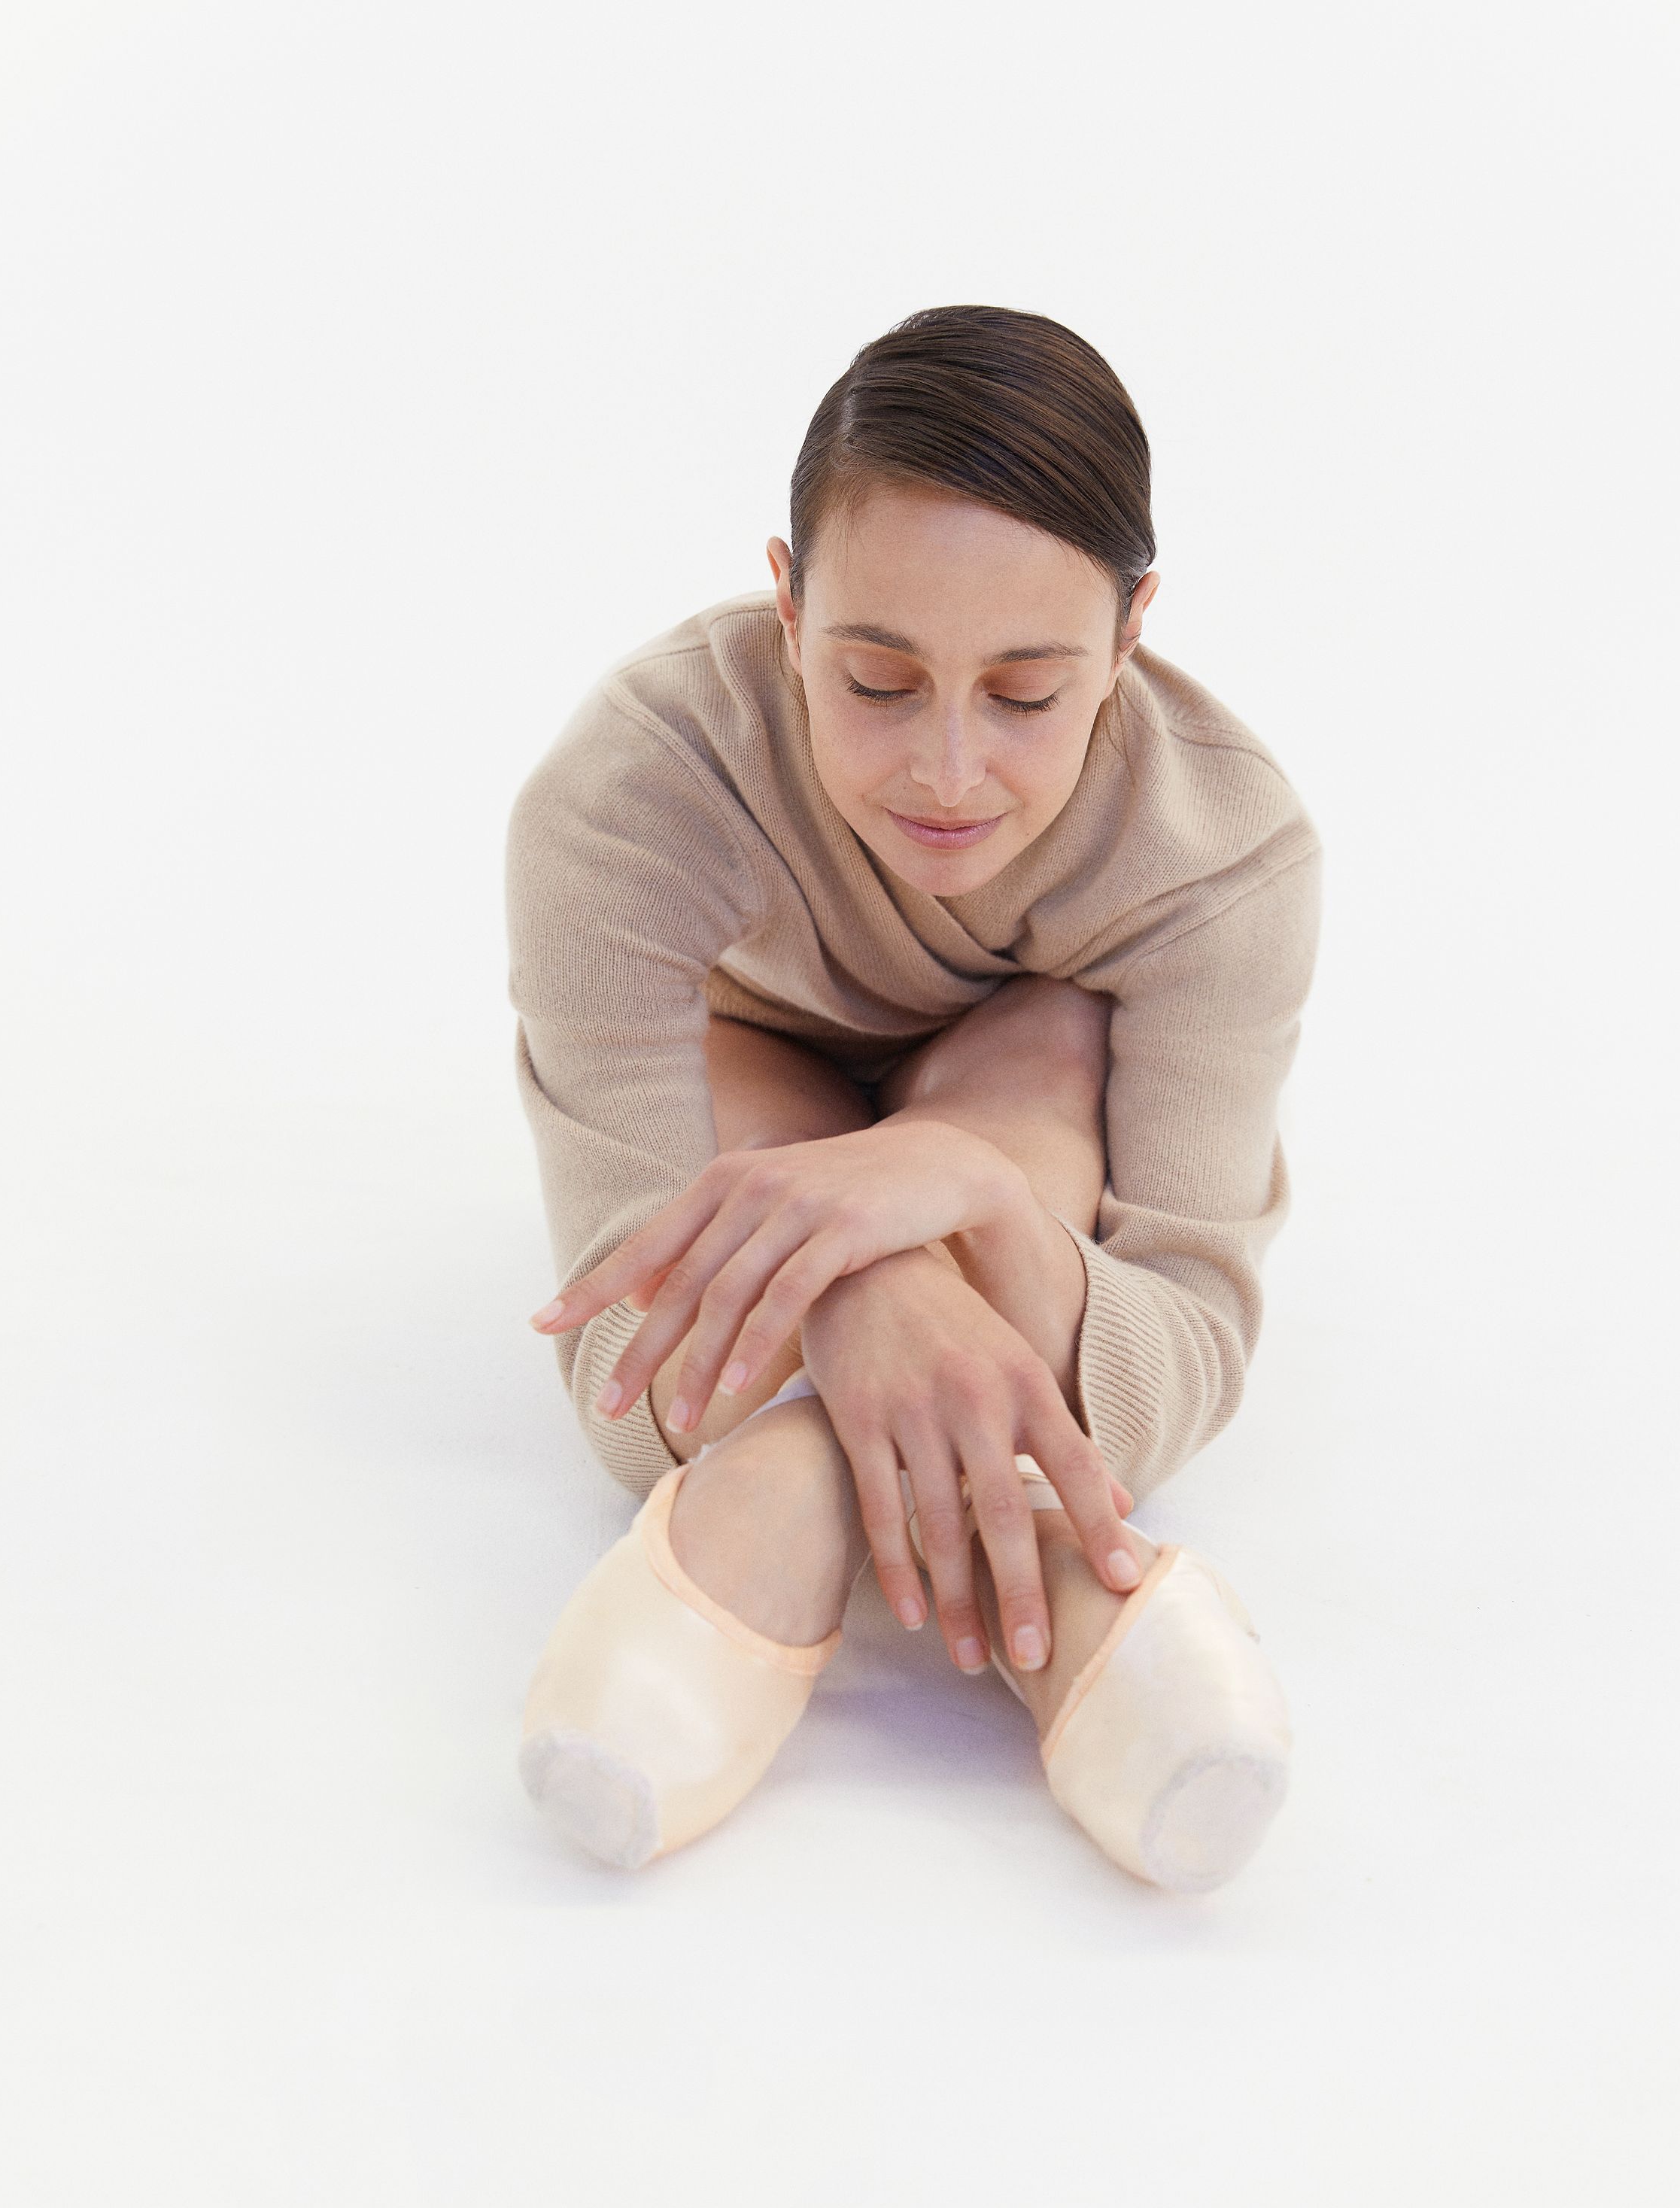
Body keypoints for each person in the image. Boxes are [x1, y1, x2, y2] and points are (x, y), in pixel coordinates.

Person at [505, 305, 1321, 1892]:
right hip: (755, 1105)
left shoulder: (1220, 855)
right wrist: (868, 1268)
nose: (948, 772)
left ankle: (771, 1524)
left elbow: (1190, 1349)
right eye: (876, 679)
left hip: (1029, 1107)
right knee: (761, 1128)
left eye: (1026, 695)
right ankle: (1082, 1632)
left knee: (1044, 1045)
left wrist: (966, 1183)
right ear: (787, 601)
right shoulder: (629, 793)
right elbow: (616, 1359)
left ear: (1132, 628)